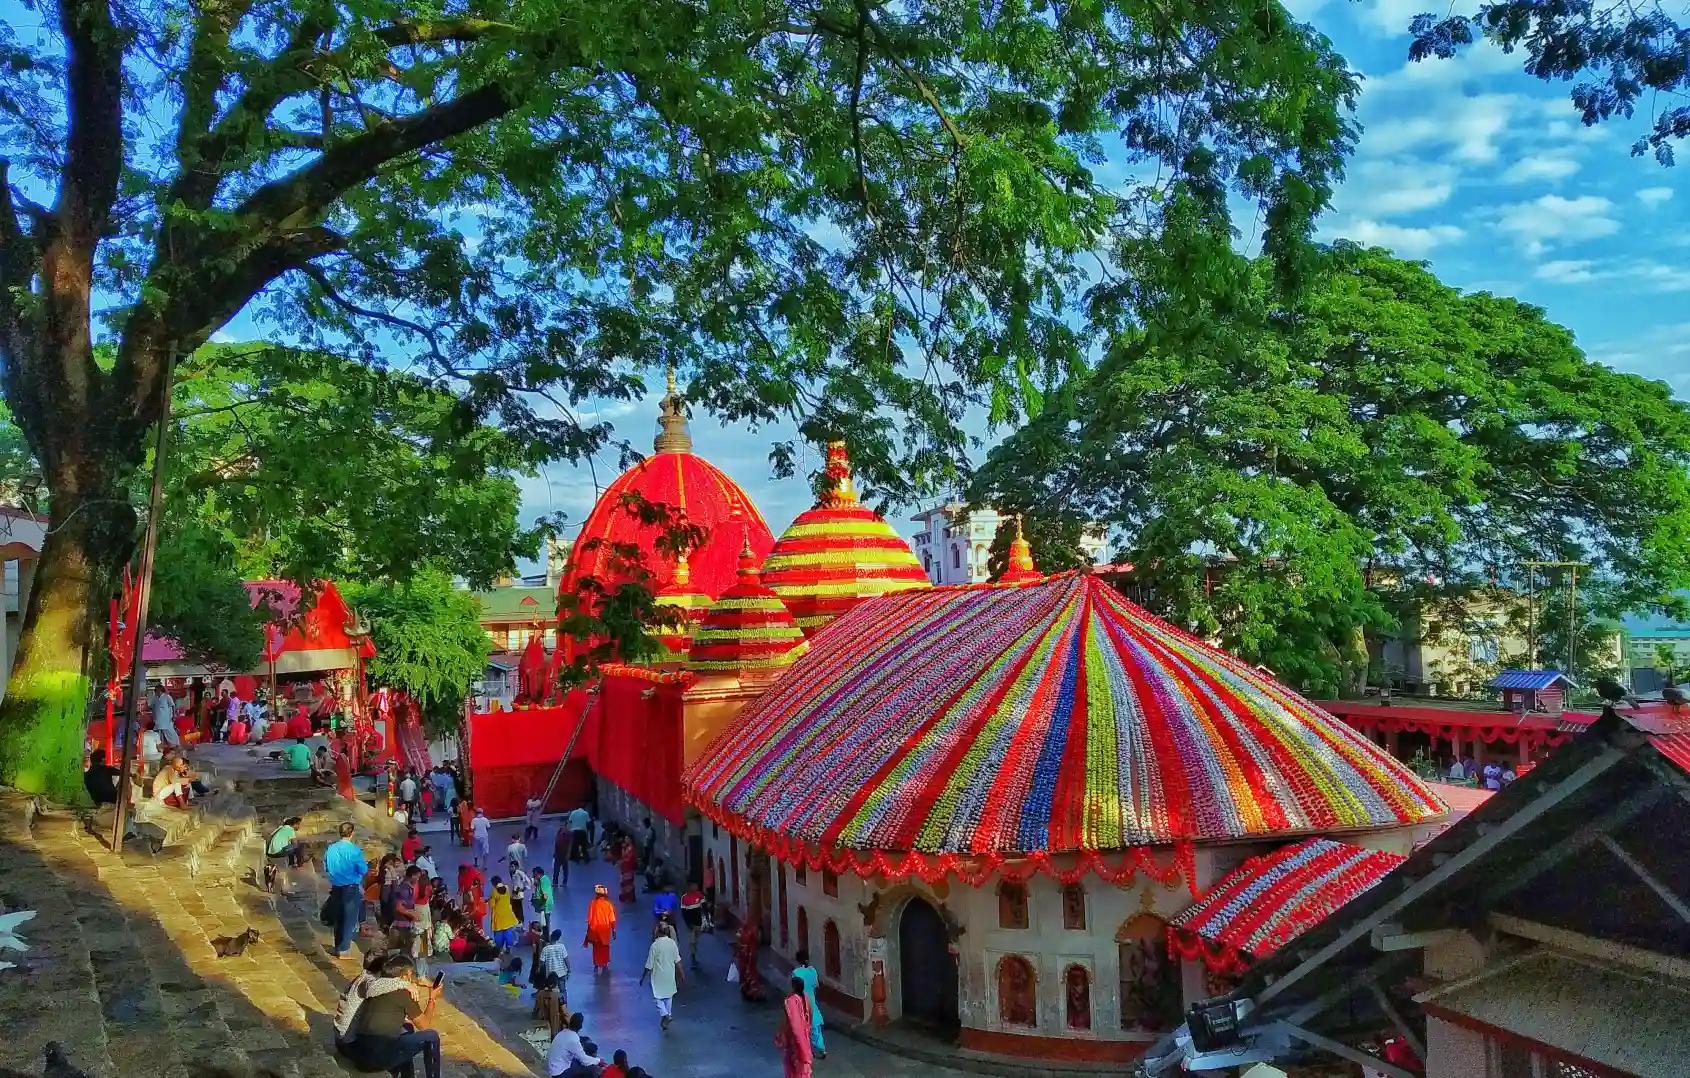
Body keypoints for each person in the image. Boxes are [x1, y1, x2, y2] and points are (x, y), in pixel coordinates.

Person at [334, 952, 442, 1078]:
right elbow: (425, 1025)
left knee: (407, 1028)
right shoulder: (377, 988)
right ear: (405, 975)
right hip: (363, 1054)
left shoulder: (375, 987)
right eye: (411, 974)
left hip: (359, 1050)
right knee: (432, 1036)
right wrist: (432, 999)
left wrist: (413, 982)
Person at [325, 822, 370, 958]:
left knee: (338, 918)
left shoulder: (331, 849)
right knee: (349, 919)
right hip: (350, 887)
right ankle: (344, 949)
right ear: (351, 833)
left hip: (336, 886)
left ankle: (338, 947)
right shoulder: (354, 850)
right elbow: (363, 870)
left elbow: (326, 866)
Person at [640, 923, 683, 1031]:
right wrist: (682, 974)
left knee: (658, 997)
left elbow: (649, 964)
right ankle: (668, 1016)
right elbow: (677, 960)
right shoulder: (672, 943)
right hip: (670, 974)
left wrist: (643, 977)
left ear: (658, 932)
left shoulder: (655, 945)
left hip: (658, 976)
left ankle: (665, 1014)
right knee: (669, 996)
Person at [775, 975, 816, 1078]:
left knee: (793, 1065)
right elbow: (810, 1015)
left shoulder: (790, 1001)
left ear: (793, 986)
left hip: (794, 1039)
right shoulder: (806, 998)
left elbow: (791, 1021)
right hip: (804, 1037)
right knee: (803, 1066)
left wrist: (782, 1034)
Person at [792, 948, 826, 1057]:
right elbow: (816, 986)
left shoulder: (796, 972)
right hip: (811, 1000)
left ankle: (807, 1050)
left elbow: (794, 988)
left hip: (800, 1001)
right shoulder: (813, 971)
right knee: (815, 1025)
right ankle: (822, 1048)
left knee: (803, 1027)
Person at [546, 1012, 601, 1077]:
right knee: (593, 1069)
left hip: (553, 1069)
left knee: (578, 1060)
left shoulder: (562, 1033)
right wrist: (599, 1060)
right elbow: (585, 1060)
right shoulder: (573, 1039)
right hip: (559, 1074)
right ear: (580, 1026)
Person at [264, 815, 307, 891]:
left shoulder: (280, 828)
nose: (299, 827)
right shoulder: (290, 830)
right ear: (295, 824)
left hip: (269, 852)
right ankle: (300, 864)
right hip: (278, 852)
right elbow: (295, 843)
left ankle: (291, 863)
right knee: (298, 845)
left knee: (290, 847)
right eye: (298, 825)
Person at [583, 884, 617, 975]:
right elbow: (612, 919)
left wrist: (588, 931)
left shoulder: (592, 903)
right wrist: (614, 930)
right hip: (604, 930)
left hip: (594, 930)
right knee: (605, 947)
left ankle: (596, 964)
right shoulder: (608, 904)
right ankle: (604, 964)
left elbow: (589, 919)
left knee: (596, 948)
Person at [734, 918, 765, 1001]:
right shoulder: (751, 931)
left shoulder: (743, 931)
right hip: (748, 954)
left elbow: (738, 941)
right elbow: (757, 941)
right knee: (749, 971)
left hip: (746, 954)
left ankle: (749, 988)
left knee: (747, 970)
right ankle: (751, 990)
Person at [533, 971, 569, 1039]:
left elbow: (536, 1009)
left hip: (542, 1024)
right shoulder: (559, 996)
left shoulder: (540, 993)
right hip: (555, 1026)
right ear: (556, 983)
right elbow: (565, 1013)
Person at [678, 884, 706, 970]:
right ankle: (693, 957)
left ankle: (693, 953)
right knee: (692, 941)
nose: (695, 887)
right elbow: (684, 912)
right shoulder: (684, 898)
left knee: (696, 940)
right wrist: (688, 924)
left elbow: (704, 906)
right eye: (693, 885)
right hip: (690, 924)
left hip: (698, 923)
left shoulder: (699, 895)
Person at [539, 929, 571, 1001]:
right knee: (562, 990)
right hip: (561, 973)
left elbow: (541, 963)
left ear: (550, 937)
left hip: (551, 974)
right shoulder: (562, 946)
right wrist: (569, 970)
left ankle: (553, 1006)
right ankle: (564, 1006)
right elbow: (566, 960)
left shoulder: (545, 949)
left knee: (552, 991)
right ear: (558, 938)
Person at [489, 877, 520, 952]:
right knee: (508, 932)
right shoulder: (506, 888)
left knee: (498, 933)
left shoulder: (494, 891)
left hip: (498, 915)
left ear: (493, 883)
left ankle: (499, 949)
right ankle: (508, 946)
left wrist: (490, 900)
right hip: (508, 914)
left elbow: (492, 905)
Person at [552, 822, 573, 889]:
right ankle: (555, 882)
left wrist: (568, 854)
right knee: (557, 869)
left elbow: (570, 845)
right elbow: (556, 843)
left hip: (564, 854)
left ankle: (563, 882)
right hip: (558, 854)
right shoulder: (559, 832)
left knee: (564, 869)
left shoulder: (568, 833)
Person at [617, 839, 637, 905]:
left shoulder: (631, 849)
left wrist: (622, 862)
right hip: (625, 868)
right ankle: (626, 896)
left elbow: (630, 859)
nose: (626, 840)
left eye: (627, 839)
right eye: (625, 839)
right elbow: (624, 856)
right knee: (624, 882)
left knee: (627, 883)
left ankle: (629, 896)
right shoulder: (627, 847)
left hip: (628, 868)